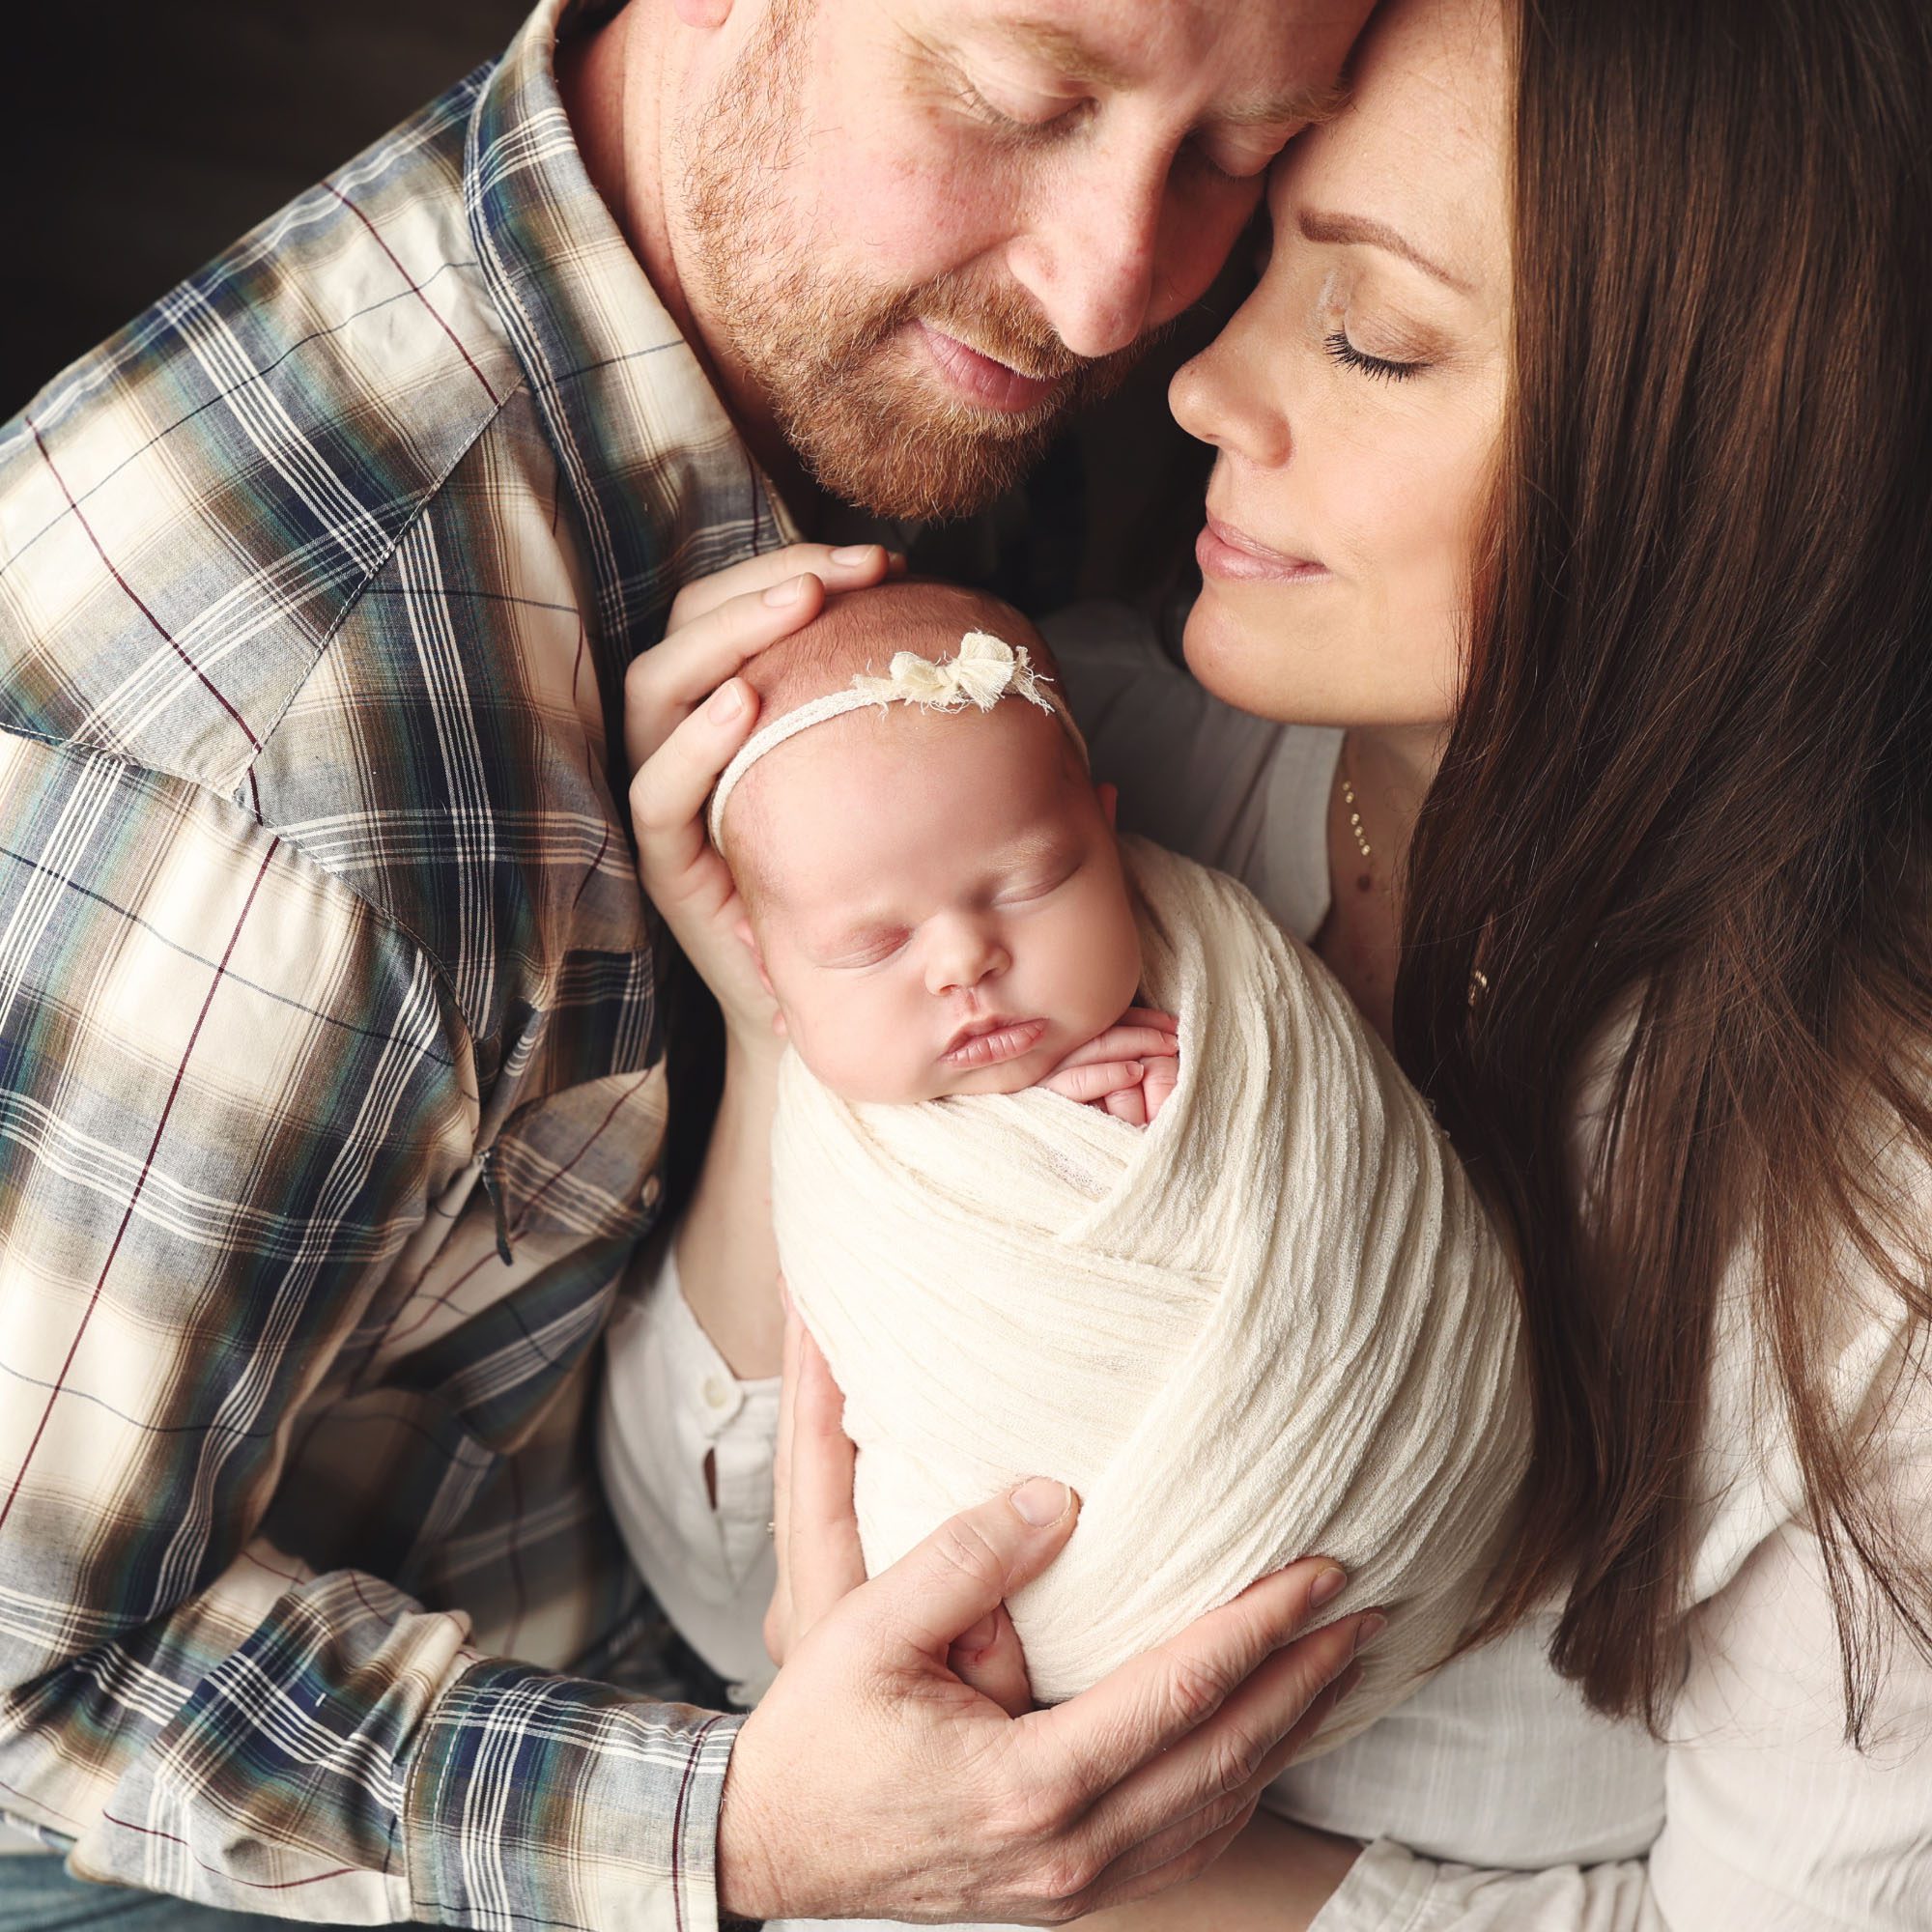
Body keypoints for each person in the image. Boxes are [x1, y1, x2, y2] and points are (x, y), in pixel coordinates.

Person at [0, 0, 1382, 1926]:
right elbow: (32, 1662)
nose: (1105, 296)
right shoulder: (274, 768)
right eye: (1020, 100)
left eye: (1238, 153)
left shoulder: (923, 339)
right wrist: (738, 1827)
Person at [630, 0, 1932, 1924]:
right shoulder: (1084, 774)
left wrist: (1051, 1858)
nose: (1188, 384)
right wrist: (787, 1001)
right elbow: (704, 1564)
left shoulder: (1861, 1227)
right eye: (1256, 271)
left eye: (1370, 333)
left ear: (1711, 461)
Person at [602, 575, 1523, 1738]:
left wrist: (1175, 1128)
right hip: (996, 1651)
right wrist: (1016, 1135)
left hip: (1386, 1542)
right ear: (760, 955)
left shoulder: (1213, 976)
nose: (962, 962)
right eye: (866, 944)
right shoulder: (833, 1132)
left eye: (1032, 881)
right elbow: (735, 1587)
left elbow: (1315, 1174)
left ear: (1107, 825)